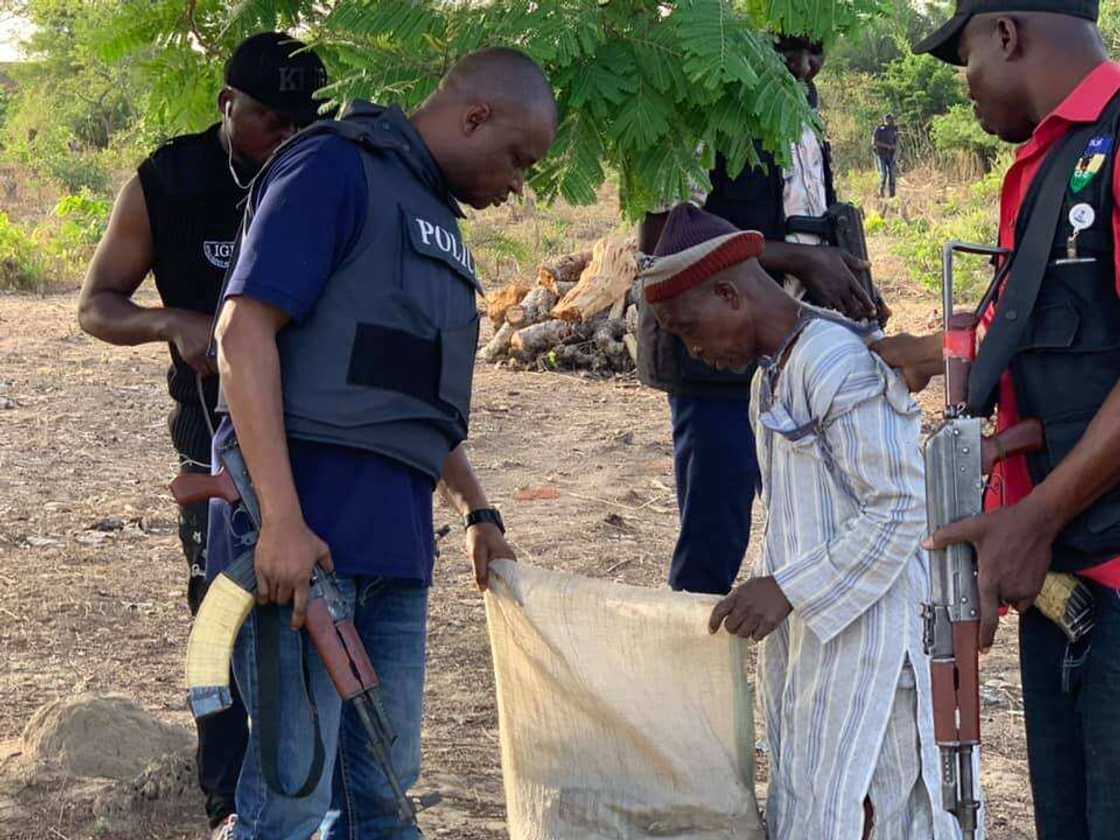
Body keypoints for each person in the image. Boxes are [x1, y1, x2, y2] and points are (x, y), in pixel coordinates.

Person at [207, 47, 556, 839]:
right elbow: (242, 332)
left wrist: (478, 510)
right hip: (305, 543)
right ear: (475, 116)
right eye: (518, 157)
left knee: (387, 799)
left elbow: (411, 400)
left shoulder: (434, 222)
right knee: (290, 798)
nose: (519, 183)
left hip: (395, 549)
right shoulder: (335, 168)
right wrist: (284, 524)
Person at [75, 32, 328, 837]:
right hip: (210, 436)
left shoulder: (329, 170)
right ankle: (225, 794)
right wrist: (172, 322)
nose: (285, 138)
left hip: (314, 431)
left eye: (301, 123)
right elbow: (95, 305)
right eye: (269, 120)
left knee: (320, 604)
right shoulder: (167, 181)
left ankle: (317, 789)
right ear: (227, 105)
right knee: (218, 610)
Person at [876, 2, 1120, 836]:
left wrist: (1036, 516)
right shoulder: (1052, 162)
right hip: (1064, 578)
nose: (968, 86)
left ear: (1008, 34)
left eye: (968, 56)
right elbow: (1073, 359)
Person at [642, 202, 961, 840]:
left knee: (899, 809)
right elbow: (800, 513)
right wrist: (769, 584)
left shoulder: (834, 362)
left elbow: (902, 506)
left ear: (730, 293)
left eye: (687, 329)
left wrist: (789, 589)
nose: (694, 351)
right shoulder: (773, 377)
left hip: (878, 638)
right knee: (814, 796)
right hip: (824, 630)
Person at [636, 33, 881, 596]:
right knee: (714, 534)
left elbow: (811, 219)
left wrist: (846, 286)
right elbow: (660, 238)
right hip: (715, 360)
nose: (804, 66)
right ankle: (695, 669)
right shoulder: (704, 103)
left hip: (793, 347)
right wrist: (800, 257)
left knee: (810, 516)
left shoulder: (802, 107)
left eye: (816, 51)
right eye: (788, 50)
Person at [873, 113, 899, 197]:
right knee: (883, 174)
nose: (889, 121)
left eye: (890, 119)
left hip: (890, 154)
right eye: (887, 119)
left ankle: (892, 194)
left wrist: (894, 148)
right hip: (880, 154)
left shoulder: (894, 129)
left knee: (892, 173)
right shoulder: (879, 129)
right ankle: (881, 192)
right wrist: (887, 146)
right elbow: (874, 142)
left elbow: (896, 141)